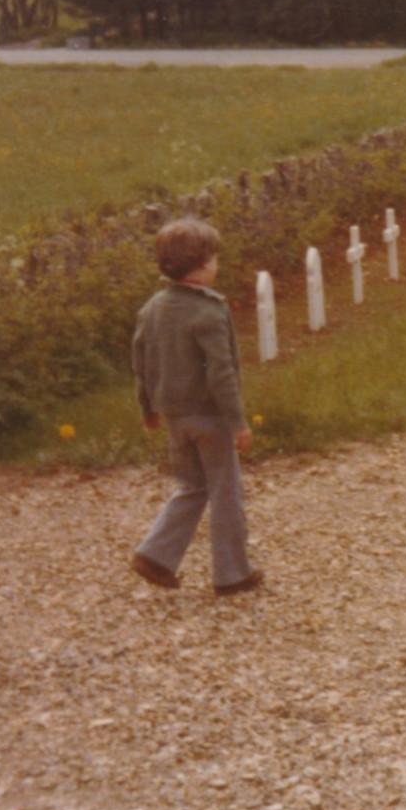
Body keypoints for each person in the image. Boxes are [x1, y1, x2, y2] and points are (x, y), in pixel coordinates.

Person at [130, 218, 262, 596]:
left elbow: (141, 363)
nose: (217, 264)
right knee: (225, 491)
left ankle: (155, 555)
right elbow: (221, 374)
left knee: (191, 485)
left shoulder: (152, 309)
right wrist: (238, 422)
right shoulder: (209, 311)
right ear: (203, 264)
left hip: (174, 417)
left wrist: (147, 410)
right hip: (209, 418)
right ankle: (232, 573)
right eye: (215, 258)